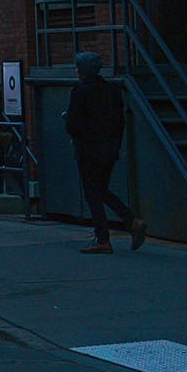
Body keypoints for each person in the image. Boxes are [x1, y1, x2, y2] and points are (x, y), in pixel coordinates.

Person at [65, 51, 146, 253]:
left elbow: (73, 126)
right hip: (109, 149)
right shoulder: (112, 90)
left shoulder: (80, 91)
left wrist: (69, 121)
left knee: (92, 193)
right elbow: (120, 122)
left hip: (88, 151)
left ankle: (103, 239)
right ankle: (131, 221)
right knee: (101, 189)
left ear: (81, 71)